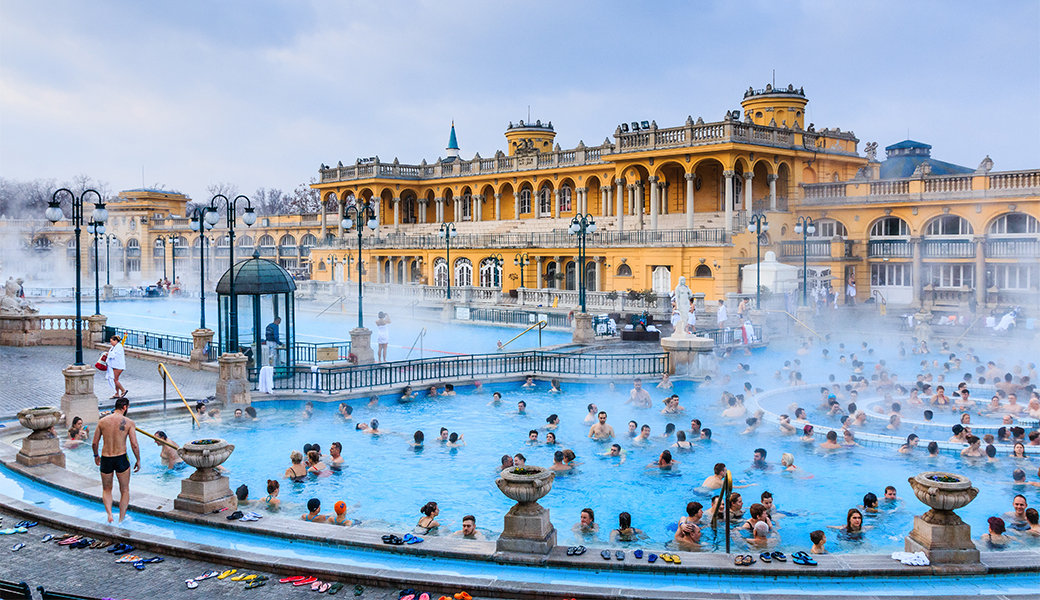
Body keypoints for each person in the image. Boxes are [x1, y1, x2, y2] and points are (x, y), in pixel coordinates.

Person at [91, 397, 140, 524]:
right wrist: (138, 459)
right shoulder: (129, 422)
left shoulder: (102, 421)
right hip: (121, 457)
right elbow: (134, 444)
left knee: (107, 489)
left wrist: (96, 456)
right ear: (125, 407)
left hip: (106, 458)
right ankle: (121, 519)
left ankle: (109, 515)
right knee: (124, 490)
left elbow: (94, 443)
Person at [106, 334, 127, 399]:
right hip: (114, 365)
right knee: (115, 379)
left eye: (112, 341)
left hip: (118, 366)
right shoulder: (113, 347)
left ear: (116, 341)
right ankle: (116, 393)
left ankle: (123, 390)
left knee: (114, 379)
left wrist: (108, 354)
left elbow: (114, 355)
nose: (111, 343)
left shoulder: (119, 347)